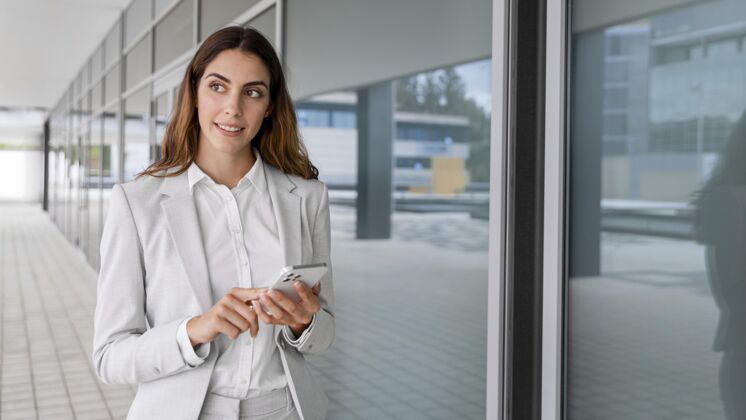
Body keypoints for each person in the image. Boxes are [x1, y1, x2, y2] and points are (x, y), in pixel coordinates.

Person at [92, 26, 334, 420]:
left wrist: (302, 323)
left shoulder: (307, 198)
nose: (233, 109)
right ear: (194, 91)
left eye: (252, 92)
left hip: (284, 409)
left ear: (270, 105)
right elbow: (109, 356)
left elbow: (324, 335)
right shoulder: (137, 204)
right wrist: (194, 330)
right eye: (218, 87)